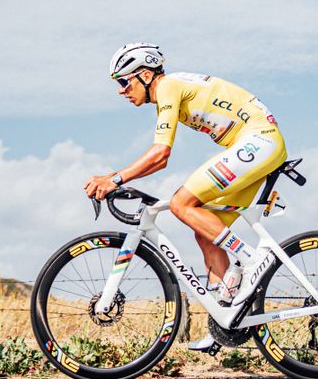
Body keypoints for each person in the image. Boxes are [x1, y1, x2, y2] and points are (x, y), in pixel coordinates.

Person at [85, 43, 287, 353]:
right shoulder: (170, 90)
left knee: (181, 204)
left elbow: (160, 155)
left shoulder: (168, 86)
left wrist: (115, 179)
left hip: (259, 141)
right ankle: (223, 322)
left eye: (124, 81)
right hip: (258, 144)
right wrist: (117, 176)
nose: (121, 90)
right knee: (206, 233)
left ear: (145, 75)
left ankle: (252, 259)